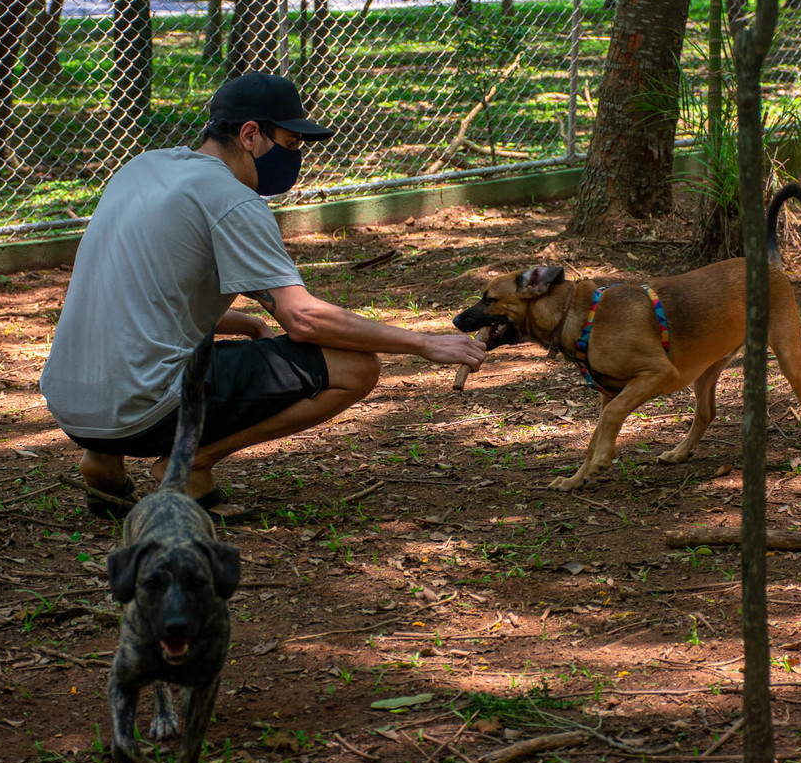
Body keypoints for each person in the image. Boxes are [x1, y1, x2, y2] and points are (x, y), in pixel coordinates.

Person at [40, 72, 485, 520]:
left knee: (149, 352)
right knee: (357, 367)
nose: (296, 156)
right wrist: (424, 343)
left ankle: (102, 464)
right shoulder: (232, 200)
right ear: (251, 134)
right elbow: (304, 319)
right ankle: (190, 463)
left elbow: (142, 292)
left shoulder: (143, 168)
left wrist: (247, 323)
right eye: (291, 143)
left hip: (71, 404)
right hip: (138, 412)